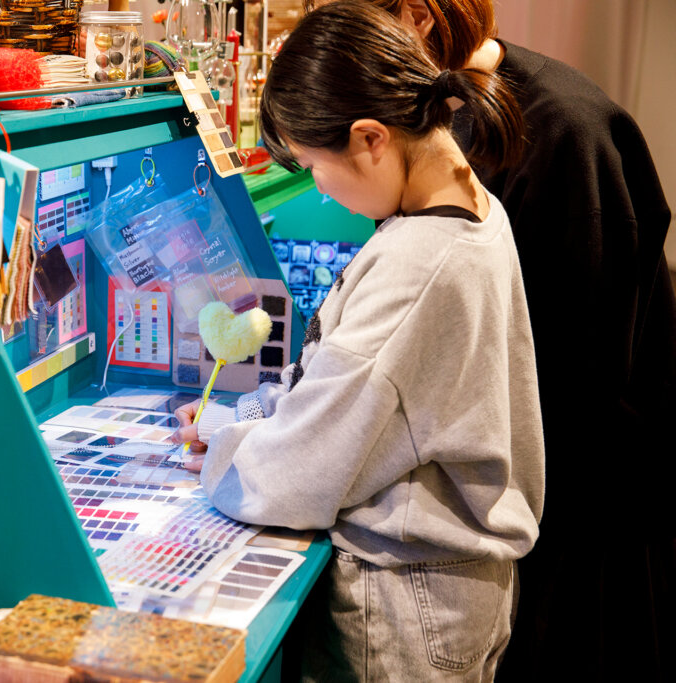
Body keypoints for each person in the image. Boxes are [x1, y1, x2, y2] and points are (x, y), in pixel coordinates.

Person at [171, 2, 544, 679]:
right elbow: (349, 397)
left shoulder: (415, 266)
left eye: (314, 163)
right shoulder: (471, 206)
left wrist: (220, 453)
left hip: (404, 609)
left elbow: (294, 476)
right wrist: (237, 416)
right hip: (455, 595)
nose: (320, 186)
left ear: (371, 138)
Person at [305, 1, 676, 679]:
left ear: (416, 18)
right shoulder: (435, 131)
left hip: (568, 522)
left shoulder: (564, 130)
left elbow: (568, 385)